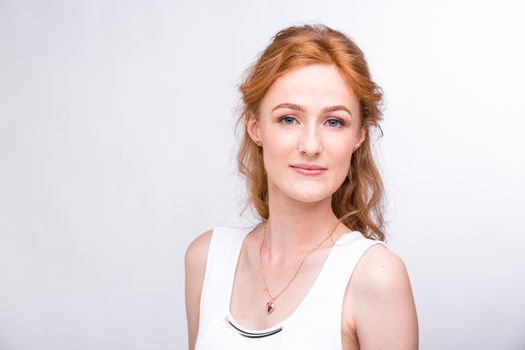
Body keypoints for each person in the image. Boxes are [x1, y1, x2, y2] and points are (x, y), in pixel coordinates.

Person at [185, 23, 418, 350]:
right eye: (288, 119)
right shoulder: (207, 259)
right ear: (256, 128)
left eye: (334, 121)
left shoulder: (375, 276)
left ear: (358, 136)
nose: (310, 145)